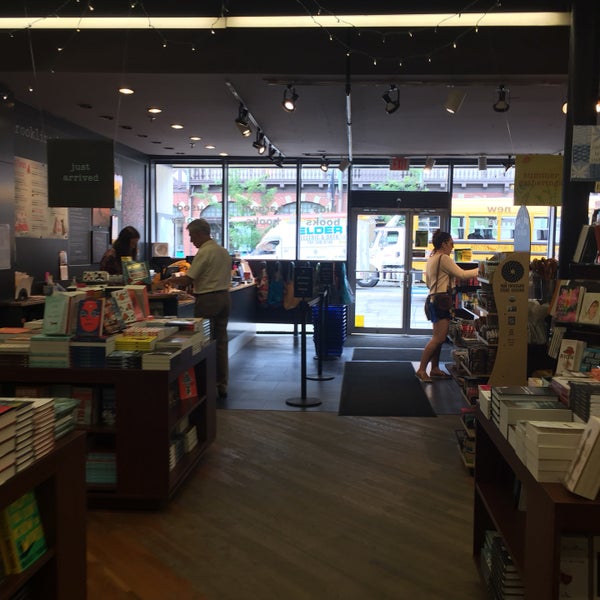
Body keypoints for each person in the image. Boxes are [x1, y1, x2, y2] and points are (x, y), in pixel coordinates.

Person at [161, 219, 232, 399]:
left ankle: (203, 383)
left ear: (201, 233)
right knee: (221, 342)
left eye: (192, 236)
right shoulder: (223, 251)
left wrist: (167, 281)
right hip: (225, 297)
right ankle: (222, 384)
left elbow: (188, 279)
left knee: (202, 342)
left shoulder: (204, 252)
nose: (191, 240)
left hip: (208, 300)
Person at [416, 230, 479, 383]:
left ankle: (435, 368)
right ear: (444, 244)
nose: (452, 247)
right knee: (438, 338)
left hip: (433, 299)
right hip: (441, 301)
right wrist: (482, 269)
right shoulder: (444, 258)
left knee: (439, 337)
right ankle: (422, 369)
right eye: (451, 244)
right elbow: (462, 275)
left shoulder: (432, 258)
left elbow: (431, 282)